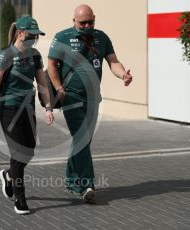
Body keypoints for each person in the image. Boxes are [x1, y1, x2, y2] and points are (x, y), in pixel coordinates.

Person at [47, 4, 133, 201]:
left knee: (81, 140)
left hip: (93, 98)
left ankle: (70, 180)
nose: (87, 26)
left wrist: (123, 75)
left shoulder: (101, 37)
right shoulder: (62, 37)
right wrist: (59, 87)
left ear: (95, 18)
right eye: (82, 22)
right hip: (71, 97)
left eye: (90, 22)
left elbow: (113, 61)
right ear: (74, 21)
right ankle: (87, 185)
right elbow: (51, 64)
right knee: (82, 138)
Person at [0, 16, 54, 215]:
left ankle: (8, 175)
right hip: (9, 109)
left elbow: (42, 83)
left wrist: (48, 107)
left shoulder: (34, 56)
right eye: (32, 35)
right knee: (18, 153)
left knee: (29, 150)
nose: (35, 38)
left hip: (28, 109)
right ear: (20, 33)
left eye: (37, 36)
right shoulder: (5, 56)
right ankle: (20, 200)